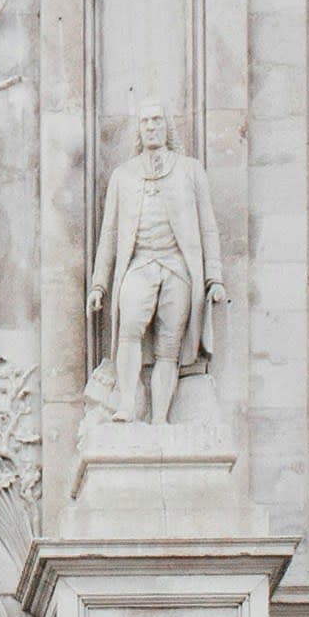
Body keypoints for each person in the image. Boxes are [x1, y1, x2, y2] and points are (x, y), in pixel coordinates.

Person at [88, 105, 226, 426]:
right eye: (145, 120)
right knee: (129, 330)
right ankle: (125, 404)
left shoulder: (191, 170)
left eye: (157, 119)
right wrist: (99, 284)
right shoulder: (123, 175)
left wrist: (213, 278)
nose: (151, 126)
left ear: (167, 125)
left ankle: (160, 418)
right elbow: (108, 234)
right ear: (139, 129)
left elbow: (208, 227)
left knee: (169, 347)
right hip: (139, 264)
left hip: (178, 267)